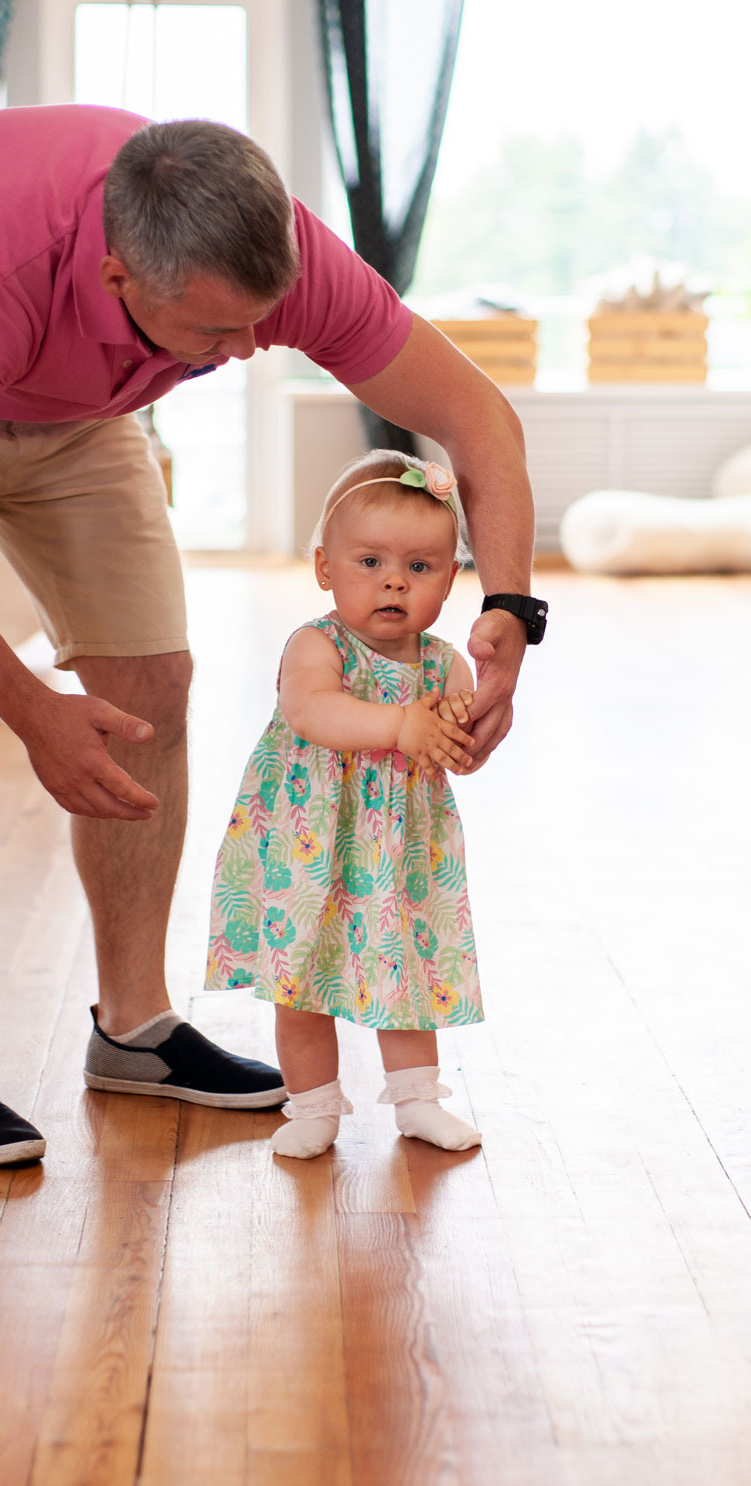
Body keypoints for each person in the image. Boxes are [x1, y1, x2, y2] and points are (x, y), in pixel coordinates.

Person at [0, 105, 545, 1167]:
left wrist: (509, 607)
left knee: (151, 677)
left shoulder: (277, 257)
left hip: (80, 409)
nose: (244, 352)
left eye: (258, 321)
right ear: (115, 279)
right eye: (212, 333)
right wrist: (33, 712)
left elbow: (478, 421)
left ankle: (134, 1027)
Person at [205, 453, 488, 1160]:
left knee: (407, 969)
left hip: (397, 848)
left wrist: (457, 730)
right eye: (370, 561)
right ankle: (312, 1106)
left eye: (421, 567)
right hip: (310, 839)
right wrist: (399, 726)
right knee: (301, 978)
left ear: (450, 581)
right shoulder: (315, 644)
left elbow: (460, 737)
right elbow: (311, 710)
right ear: (325, 566)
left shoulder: (443, 661)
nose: (394, 580)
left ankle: (419, 1100)